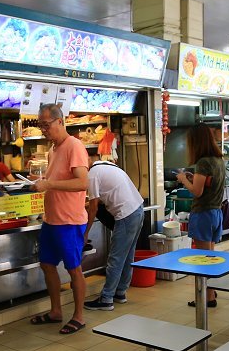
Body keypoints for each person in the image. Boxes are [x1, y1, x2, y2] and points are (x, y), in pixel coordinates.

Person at [28, 104, 90, 334]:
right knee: (47, 265)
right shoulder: (53, 149)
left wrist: (49, 184)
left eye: (46, 125)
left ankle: (79, 316)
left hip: (69, 221)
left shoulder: (74, 146)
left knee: (74, 269)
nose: (43, 129)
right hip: (52, 220)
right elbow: (56, 180)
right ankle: (56, 311)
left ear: (60, 121)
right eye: (40, 125)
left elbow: (82, 183)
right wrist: (39, 180)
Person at [83, 149, 145, 311]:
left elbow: (94, 207)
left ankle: (106, 298)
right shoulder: (106, 165)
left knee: (116, 258)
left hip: (126, 215)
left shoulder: (92, 174)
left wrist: (85, 233)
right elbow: (103, 197)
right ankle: (120, 292)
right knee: (127, 255)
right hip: (137, 209)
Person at [176, 124, 226, 307]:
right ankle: (211, 290)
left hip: (203, 213)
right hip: (216, 213)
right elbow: (207, 185)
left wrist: (183, 179)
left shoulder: (203, 162)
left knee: (203, 258)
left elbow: (197, 191)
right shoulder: (218, 160)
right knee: (210, 255)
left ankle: (208, 297)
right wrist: (192, 177)